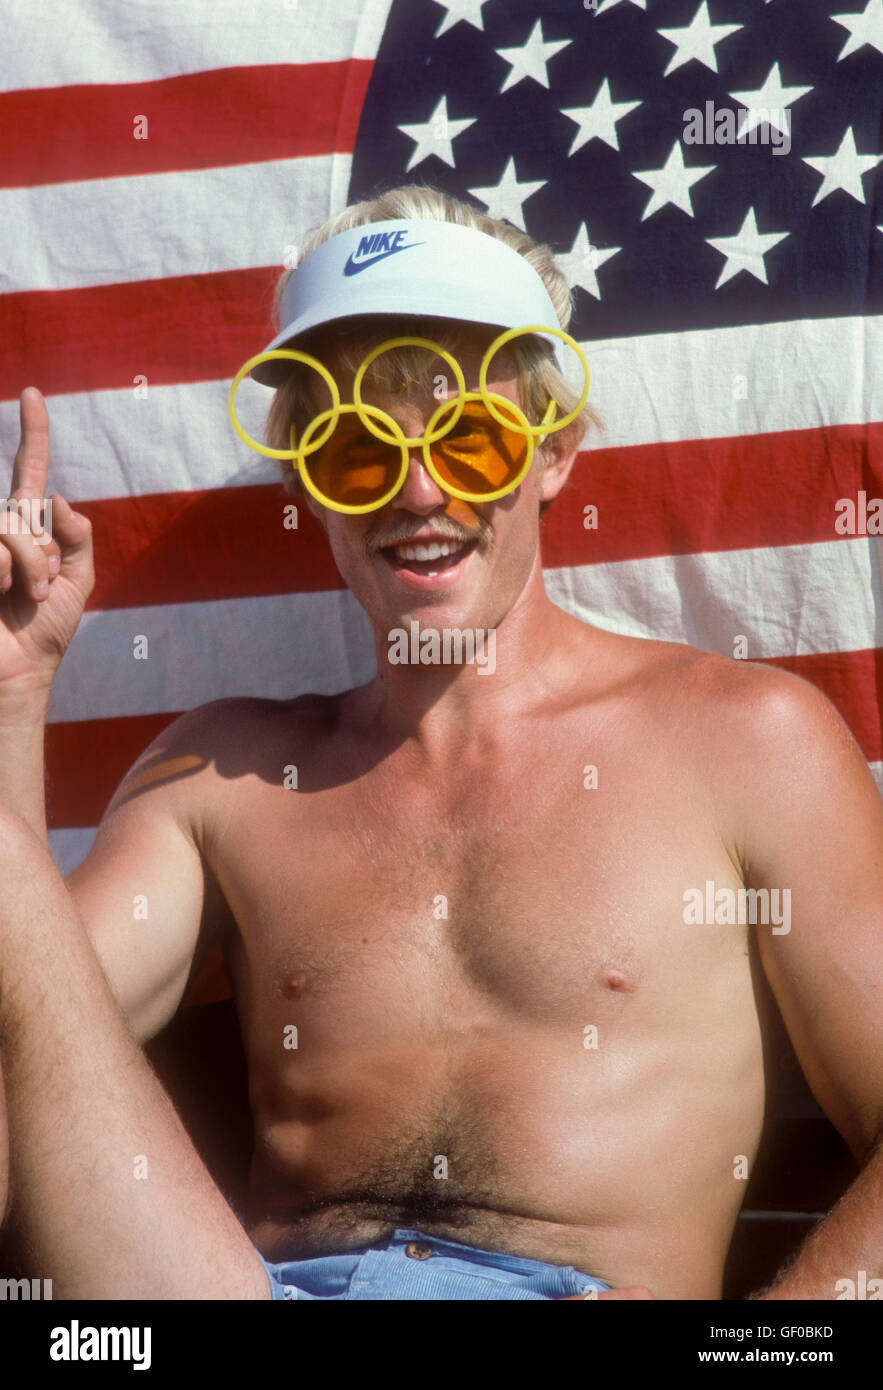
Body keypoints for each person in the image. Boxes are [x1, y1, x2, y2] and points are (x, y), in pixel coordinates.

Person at [0, 185, 881, 1301]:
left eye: (468, 438)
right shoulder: (223, 777)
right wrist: (11, 697)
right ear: (303, 485)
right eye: (356, 454)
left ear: (552, 452)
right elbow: (20, 1103)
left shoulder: (746, 744)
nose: (419, 494)